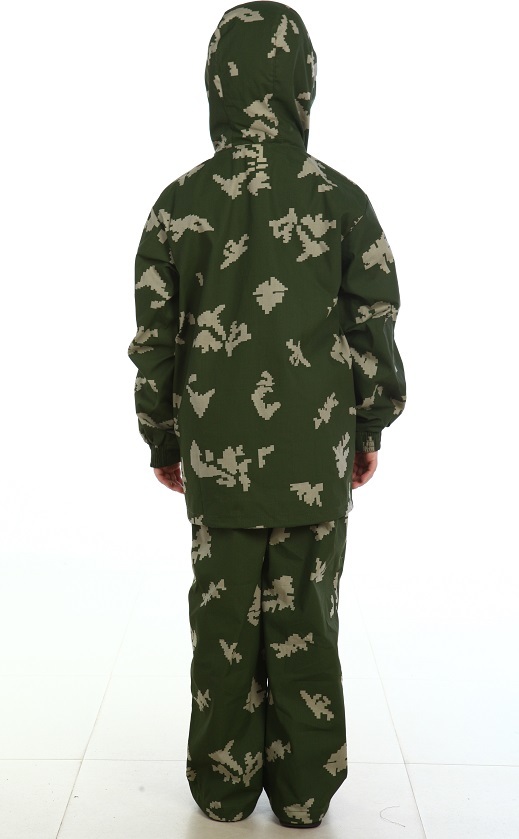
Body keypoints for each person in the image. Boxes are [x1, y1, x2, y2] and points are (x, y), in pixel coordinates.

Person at [127, 0, 406, 828]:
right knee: (306, 623)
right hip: (313, 456)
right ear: (302, 84)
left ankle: (221, 791)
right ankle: (304, 795)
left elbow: (155, 339)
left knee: (222, 624)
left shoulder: (178, 203)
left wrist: (163, 437)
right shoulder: (340, 200)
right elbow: (372, 322)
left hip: (217, 461)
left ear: (216, 84)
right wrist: (366, 427)